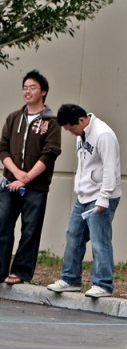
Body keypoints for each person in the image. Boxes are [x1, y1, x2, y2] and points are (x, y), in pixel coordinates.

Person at [47, 104, 122, 298]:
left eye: (71, 129)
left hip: (101, 196)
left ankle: (103, 284)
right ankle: (71, 279)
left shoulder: (103, 135)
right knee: (73, 234)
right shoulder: (82, 135)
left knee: (100, 239)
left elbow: (109, 168)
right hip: (84, 195)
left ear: (81, 120)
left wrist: (104, 198)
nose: (71, 133)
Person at [0, 70, 62, 285]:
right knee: (2, 225)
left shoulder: (51, 121)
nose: (27, 91)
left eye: (32, 87)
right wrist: (16, 174)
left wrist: (26, 179)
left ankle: (21, 272)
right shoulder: (13, 117)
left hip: (36, 187)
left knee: (30, 230)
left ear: (43, 92)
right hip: (10, 183)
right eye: (25, 87)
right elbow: (3, 149)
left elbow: (51, 152)